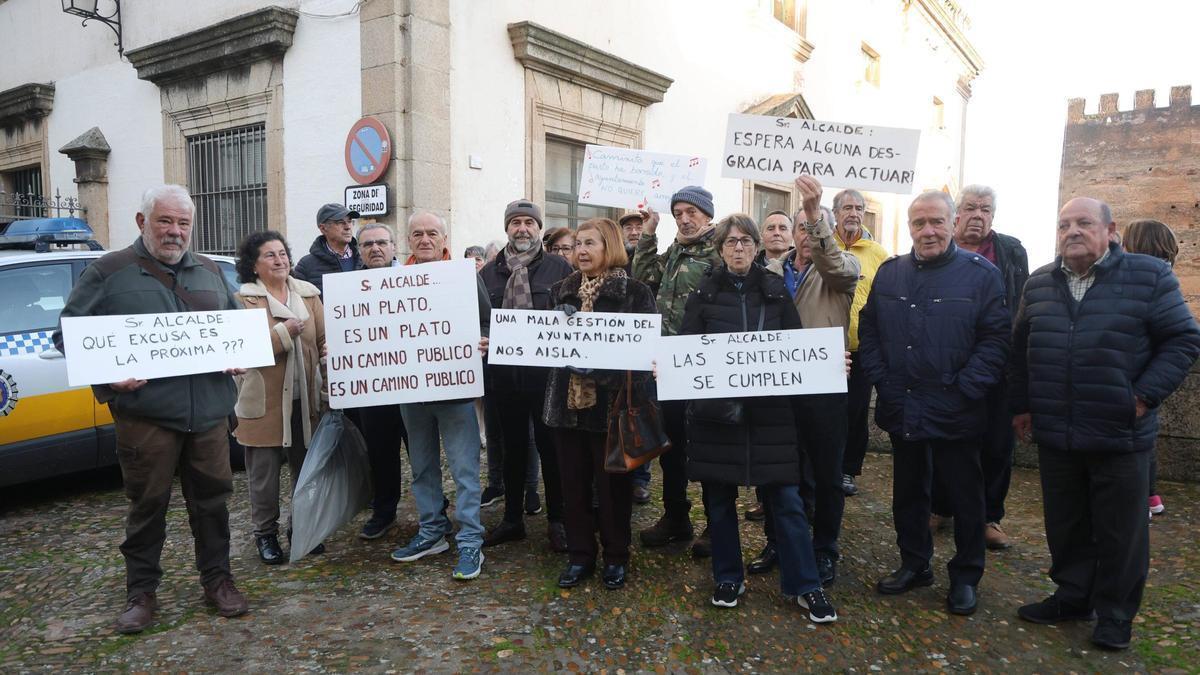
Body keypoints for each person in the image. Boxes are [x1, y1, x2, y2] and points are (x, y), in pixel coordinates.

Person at [53, 184, 248, 633]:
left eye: (183, 223)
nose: (175, 232)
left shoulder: (209, 273)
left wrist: (239, 352)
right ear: (142, 222)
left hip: (209, 415)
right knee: (147, 505)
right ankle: (140, 593)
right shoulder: (108, 272)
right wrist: (107, 376)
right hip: (147, 418)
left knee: (214, 503)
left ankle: (218, 581)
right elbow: (68, 334)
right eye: (165, 221)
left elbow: (236, 324)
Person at [1012, 198, 1200, 650]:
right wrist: (1022, 405)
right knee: (1066, 522)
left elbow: (1182, 339)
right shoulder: (1039, 283)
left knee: (1121, 530)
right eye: (1063, 224)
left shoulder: (1148, 276)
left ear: (1110, 230)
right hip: (1057, 430)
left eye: (1083, 223)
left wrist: (1143, 395)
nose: (1071, 231)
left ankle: (1115, 613)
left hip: (1120, 431)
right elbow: (1019, 351)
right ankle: (1074, 595)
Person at [678, 213, 837, 622]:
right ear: (720, 250)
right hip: (717, 416)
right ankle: (728, 576)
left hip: (771, 416)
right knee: (718, 501)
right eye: (730, 243)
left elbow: (799, 348)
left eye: (746, 242)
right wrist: (672, 369)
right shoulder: (703, 294)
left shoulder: (775, 292)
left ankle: (806, 585)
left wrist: (830, 364)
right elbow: (686, 350)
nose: (738, 249)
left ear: (757, 247)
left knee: (787, 500)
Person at [857, 190, 1009, 616]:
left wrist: (966, 389)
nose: (928, 231)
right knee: (908, 493)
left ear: (952, 222)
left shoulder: (981, 275)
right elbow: (870, 330)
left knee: (964, 497)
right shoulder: (890, 274)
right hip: (902, 404)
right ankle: (914, 563)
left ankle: (965, 575)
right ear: (909, 228)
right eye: (919, 223)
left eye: (937, 222)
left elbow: (996, 340)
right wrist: (883, 381)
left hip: (956, 409)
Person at [754, 177, 859, 586]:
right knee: (779, 470)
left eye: (813, 226)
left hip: (823, 390)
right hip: (778, 390)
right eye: (799, 226)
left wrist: (816, 213)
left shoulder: (842, 269)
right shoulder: (771, 272)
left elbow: (832, 260)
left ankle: (824, 548)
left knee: (827, 474)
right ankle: (778, 541)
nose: (804, 234)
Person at [543, 218, 657, 590]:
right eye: (577, 243)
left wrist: (601, 367)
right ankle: (580, 556)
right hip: (566, 406)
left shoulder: (635, 293)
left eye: (590, 243)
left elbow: (641, 357)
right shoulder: (560, 290)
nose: (581, 250)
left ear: (610, 247)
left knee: (612, 490)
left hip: (611, 408)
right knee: (571, 485)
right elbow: (541, 345)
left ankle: (616, 556)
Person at [389, 211, 493, 580]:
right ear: (409, 239)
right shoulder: (394, 281)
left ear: (444, 239)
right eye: (417, 233)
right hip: (411, 391)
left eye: (432, 233)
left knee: (464, 469)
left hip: (454, 387)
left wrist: (484, 341)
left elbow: (487, 320)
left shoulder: (464, 276)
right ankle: (432, 531)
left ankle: (469, 541)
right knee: (421, 467)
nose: (424, 239)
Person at [929, 185, 1029, 550]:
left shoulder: (1011, 250)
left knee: (997, 444)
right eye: (970, 208)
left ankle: (989, 516)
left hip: (999, 364)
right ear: (956, 214)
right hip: (946, 362)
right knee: (941, 440)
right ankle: (939, 507)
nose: (977, 215)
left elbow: (1021, 304)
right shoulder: (938, 246)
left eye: (985, 209)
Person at [632, 185, 723, 556]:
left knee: (710, 448)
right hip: (668, 365)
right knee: (672, 447)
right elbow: (642, 275)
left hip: (704, 365)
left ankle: (717, 525)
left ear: (707, 215)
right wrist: (650, 230)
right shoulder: (675, 251)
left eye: (692, 213)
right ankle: (676, 518)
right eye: (679, 213)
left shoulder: (718, 253)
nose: (684, 220)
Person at [479, 200, 572, 551]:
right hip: (505, 376)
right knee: (512, 448)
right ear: (507, 228)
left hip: (548, 377)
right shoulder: (487, 274)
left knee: (551, 448)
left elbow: (577, 306)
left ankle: (558, 520)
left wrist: (570, 310)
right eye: (515, 222)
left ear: (538, 228)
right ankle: (513, 519)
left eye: (529, 223)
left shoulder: (560, 267)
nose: (522, 229)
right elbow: (479, 319)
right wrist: (485, 335)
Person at [232, 230, 327, 562]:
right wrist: (281, 334)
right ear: (254, 266)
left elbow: (324, 339)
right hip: (264, 403)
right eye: (270, 255)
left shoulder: (309, 295)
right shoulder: (243, 299)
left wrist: (330, 359)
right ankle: (266, 535)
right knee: (264, 477)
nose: (280, 260)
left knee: (306, 471)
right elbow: (242, 350)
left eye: (283, 253)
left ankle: (302, 527)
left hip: (306, 400)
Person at [1121, 218, 1181, 519]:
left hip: (1137, 373)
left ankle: (1140, 498)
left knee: (1136, 438)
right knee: (1146, 435)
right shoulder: (1166, 276)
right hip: (1153, 375)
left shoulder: (1146, 280)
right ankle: (1150, 494)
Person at [833, 189, 890, 497]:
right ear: (836, 213)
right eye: (847, 208)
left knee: (855, 411)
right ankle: (826, 463)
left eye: (858, 208)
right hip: (827, 346)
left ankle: (847, 469)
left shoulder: (878, 254)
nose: (853, 213)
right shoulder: (824, 247)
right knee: (831, 410)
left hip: (861, 346)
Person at [354, 224, 410, 540]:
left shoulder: (414, 281)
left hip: (414, 386)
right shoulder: (347, 288)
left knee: (421, 450)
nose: (375, 248)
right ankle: (384, 510)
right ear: (359, 250)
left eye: (381, 243)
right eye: (368, 244)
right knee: (380, 451)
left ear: (393, 247)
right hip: (372, 386)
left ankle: (434, 507)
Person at [617, 210, 653, 504]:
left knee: (640, 414)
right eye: (628, 227)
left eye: (639, 226)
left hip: (643, 350)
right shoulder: (615, 262)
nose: (634, 231)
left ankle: (641, 478)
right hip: (615, 350)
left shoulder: (654, 260)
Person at [294, 203, 362, 295]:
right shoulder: (306, 266)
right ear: (323, 228)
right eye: (340, 222)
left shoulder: (364, 259)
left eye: (350, 221)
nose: (348, 227)